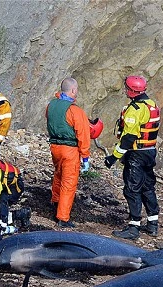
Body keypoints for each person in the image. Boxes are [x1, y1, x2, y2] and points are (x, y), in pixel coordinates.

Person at [104, 76, 161, 240]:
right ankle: (152, 224)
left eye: (126, 88)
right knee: (147, 186)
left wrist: (113, 157)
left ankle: (134, 226)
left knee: (132, 188)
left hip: (136, 154)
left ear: (131, 90)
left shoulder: (134, 110)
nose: (124, 90)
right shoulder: (151, 105)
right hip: (150, 152)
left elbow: (128, 137)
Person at [46, 77, 97, 228]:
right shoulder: (75, 110)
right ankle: (63, 217)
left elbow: (50, 122)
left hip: (55, 147)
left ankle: (55, 202)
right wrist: (85, 157)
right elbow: (83, 135)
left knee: (58, 175)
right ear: (73, 90)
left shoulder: (51, 105)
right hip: (70, 150)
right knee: (68, 182)